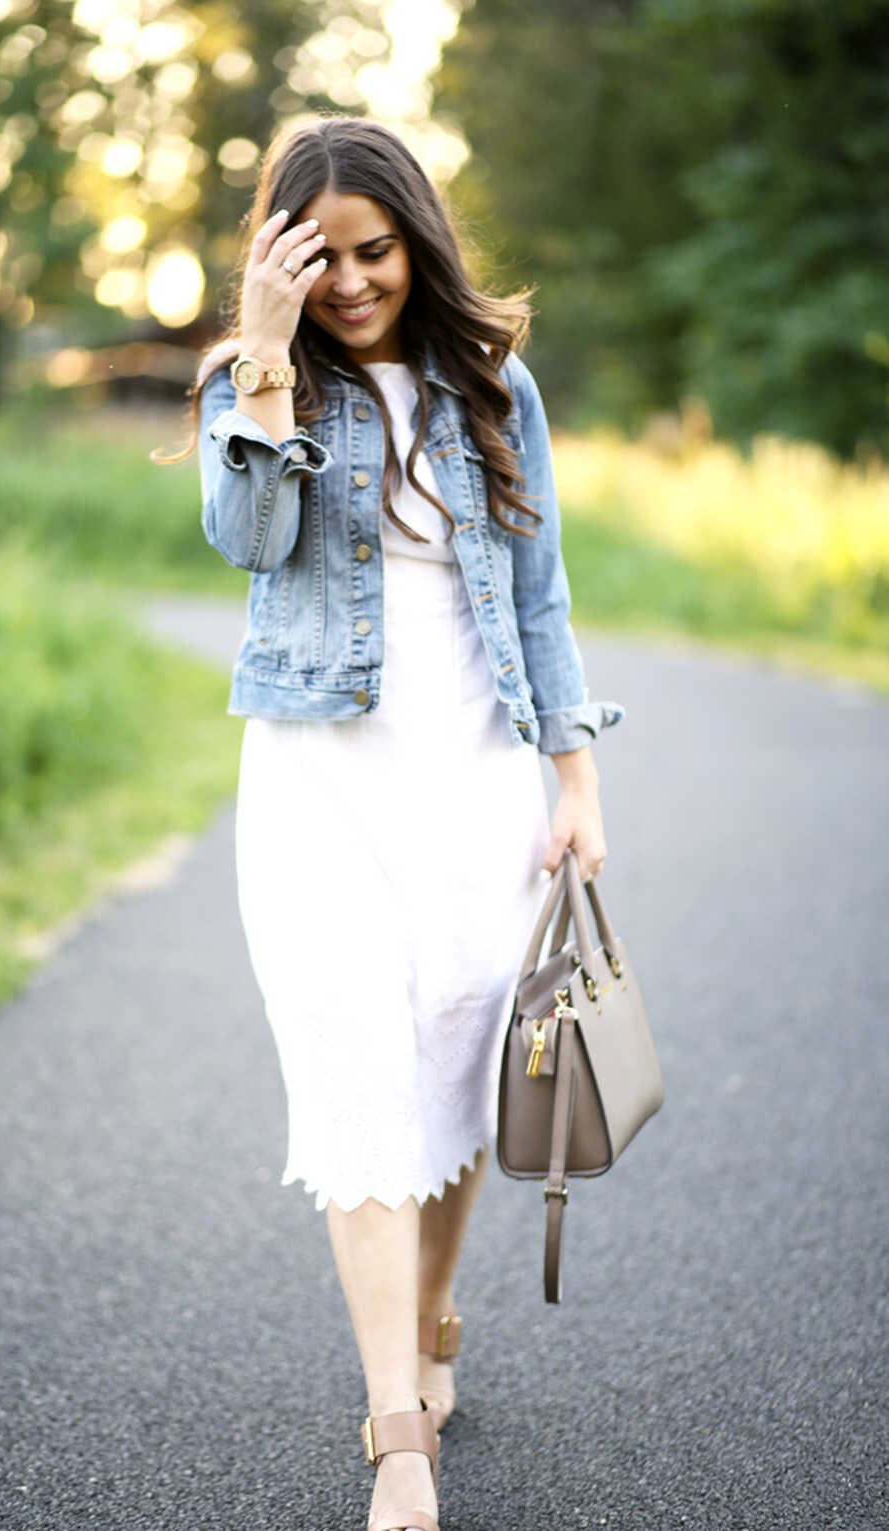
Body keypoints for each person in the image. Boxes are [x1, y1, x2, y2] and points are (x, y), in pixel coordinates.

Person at [190, 115, 624, 1531]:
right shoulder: (246, 389)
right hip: (320, 791)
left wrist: (577, 785)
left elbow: (542, 595)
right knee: (358, 1082)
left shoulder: (495, 384)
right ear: (280, 258)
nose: (355, 283)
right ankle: (398, 1441)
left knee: (452, 1065)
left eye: (376, 251)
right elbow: (245, 543)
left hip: (477, 782)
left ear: (415, 241)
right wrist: (262, 359)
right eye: (322, 260)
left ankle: (435, 1321)